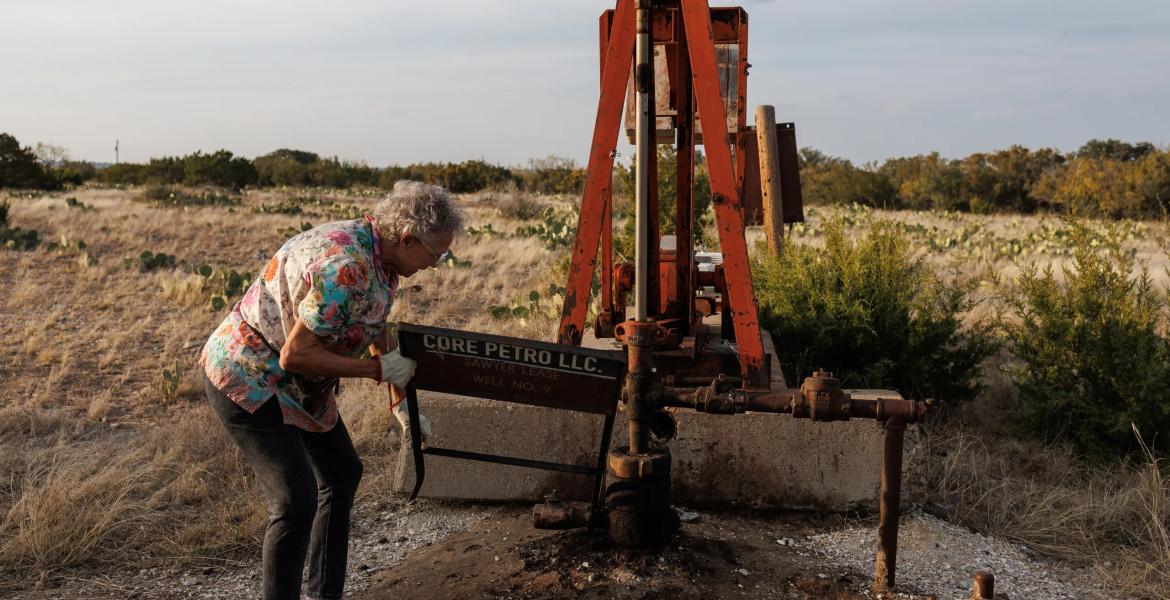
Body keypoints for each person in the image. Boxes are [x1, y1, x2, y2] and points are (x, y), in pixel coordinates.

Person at [198, 180, 464, 600]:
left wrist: (400, 405)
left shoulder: (383, 257)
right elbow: (295, 355)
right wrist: (377, 370)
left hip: (299, 385)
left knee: (343, 472)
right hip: (251, 373)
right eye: (436, 254)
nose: (437, 263)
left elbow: (372, 320)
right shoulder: (347, 267)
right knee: (295, 499)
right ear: (408, 238)